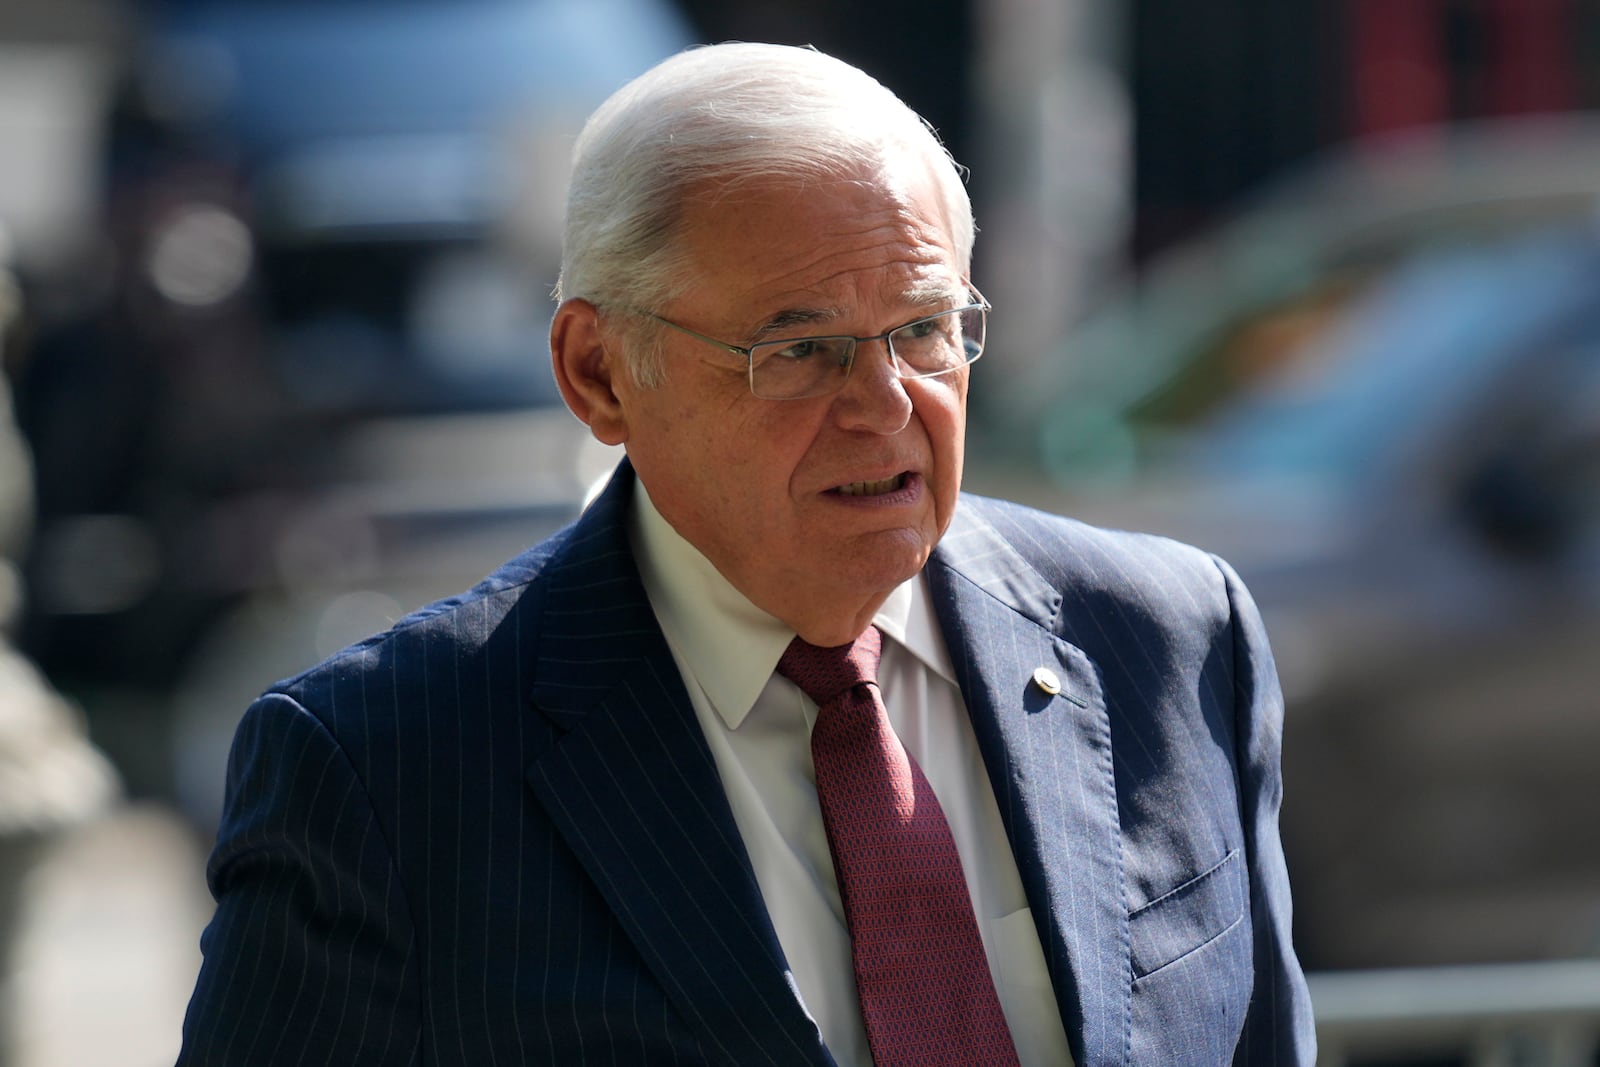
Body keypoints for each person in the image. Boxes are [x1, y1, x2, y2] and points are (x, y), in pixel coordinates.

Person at [178, 43, 1315, 1066]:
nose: (884, 404)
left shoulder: (1167, 637)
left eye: (922, 327)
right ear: (600, 374)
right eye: (802, 347)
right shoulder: (387, 772)